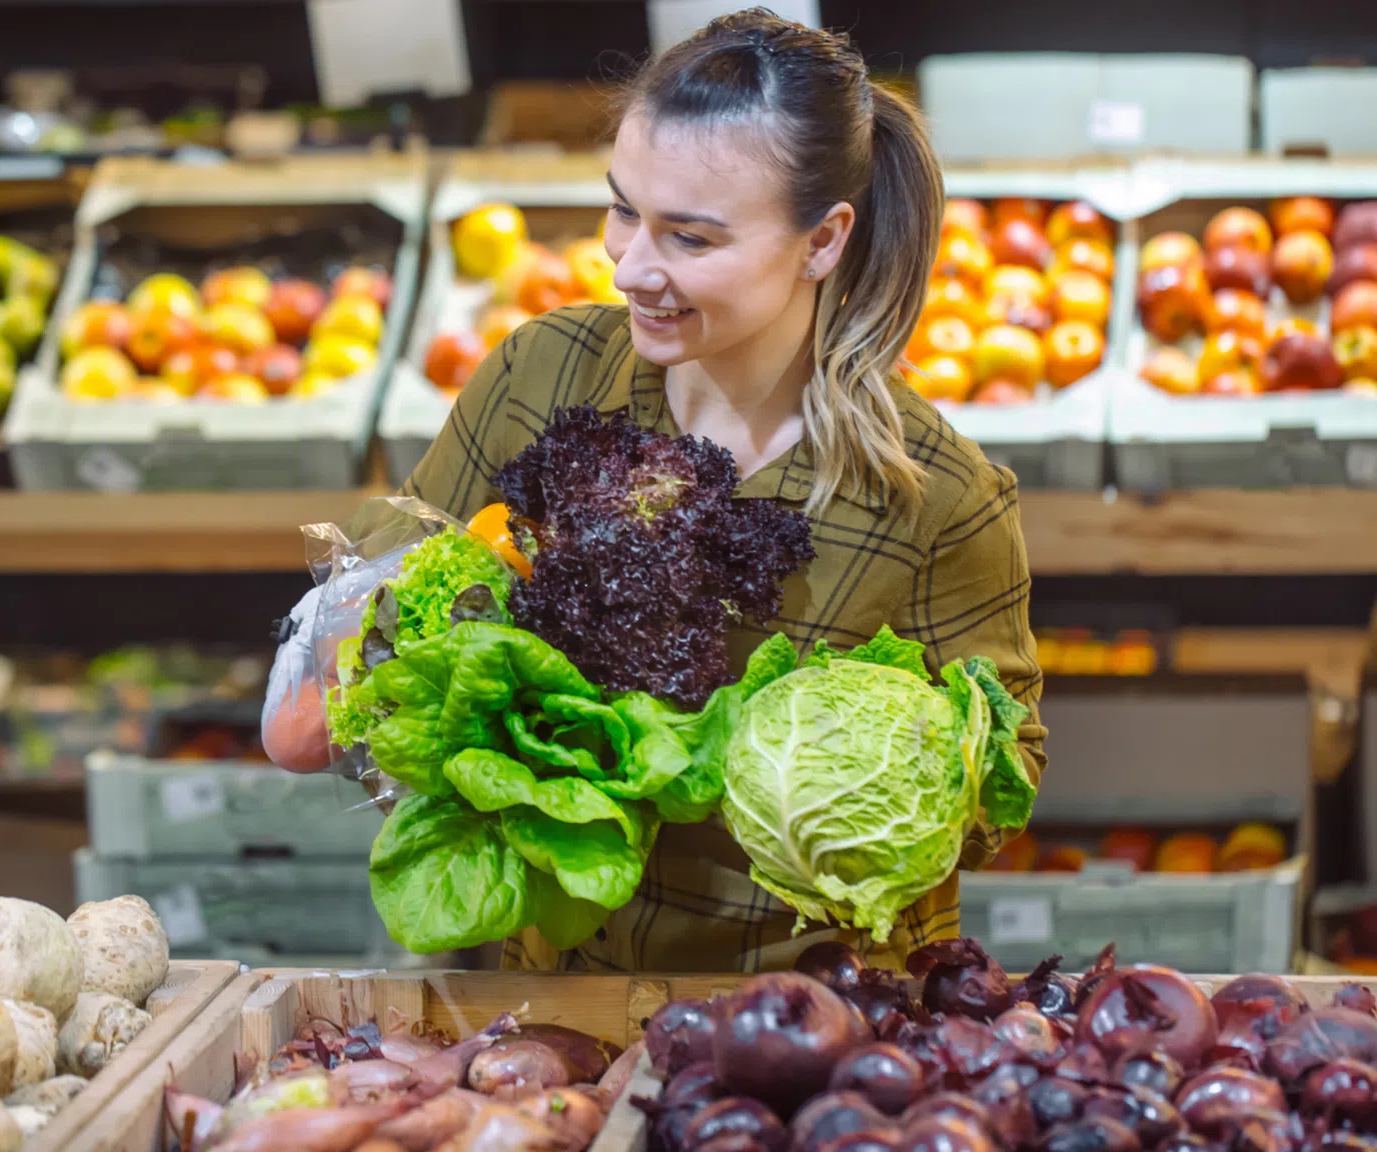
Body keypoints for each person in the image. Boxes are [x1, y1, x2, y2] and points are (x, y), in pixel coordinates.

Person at [289, 8, 1046, 974]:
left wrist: (842, 776)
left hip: (805, 1022)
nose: (632, 267)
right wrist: (388, 640)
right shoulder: (542, 372)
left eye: (689, 238)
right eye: (623, 210)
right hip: (547, 994)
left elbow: (1010, 764)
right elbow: (392, 584)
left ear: (822, 240)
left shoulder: (938, 497)